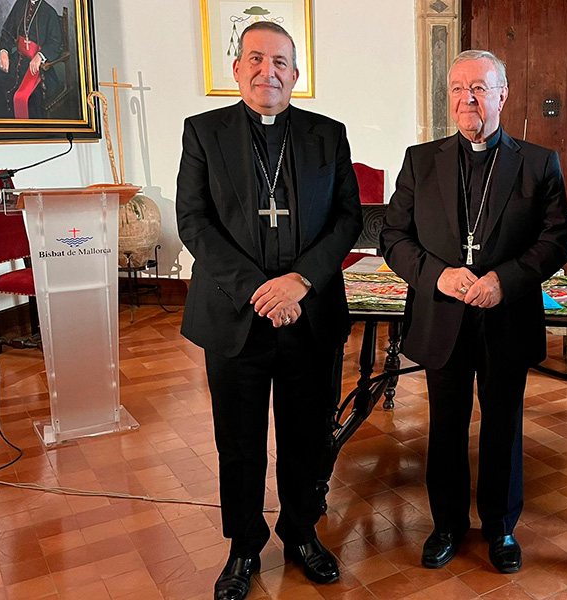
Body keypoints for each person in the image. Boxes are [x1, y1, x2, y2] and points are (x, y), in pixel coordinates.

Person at [175, 21, 362, 600]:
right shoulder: (203, 133)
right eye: (256, 59)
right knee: (240, 439)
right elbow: (193, 222)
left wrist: (300, 282)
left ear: (296, 75)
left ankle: (302, 531)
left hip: (310, 314)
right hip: (236, 315)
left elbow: (347, 220)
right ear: (237, 70)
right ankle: (243, 547)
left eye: (280, 62)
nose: (268, 71)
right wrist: (260, 288)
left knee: (307, 435)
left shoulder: (327, 136)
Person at [380, 49, 567, 574]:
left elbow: (557, 240)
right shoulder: (421, 160)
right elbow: (392, 237)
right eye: (459, 89)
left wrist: (504, 281)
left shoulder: (538, 162)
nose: (469, 99)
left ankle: (500, 527)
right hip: (443, 312)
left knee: (503, 424)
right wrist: (436, 275)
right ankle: (446, 524)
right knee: (445, 424)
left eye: (481, 89)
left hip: (505, 315)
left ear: (503, 95)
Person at [0, 0, 63, 119]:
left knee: (31, 98)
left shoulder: (49, 12)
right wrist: (3, 51)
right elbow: (7, 32)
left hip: (39, 68)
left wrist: (40, 55)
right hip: (17, 60)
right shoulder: (20, 4)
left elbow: (56, 43)